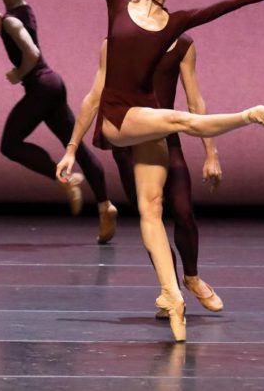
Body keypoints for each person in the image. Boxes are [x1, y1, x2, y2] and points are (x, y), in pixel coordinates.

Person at [13, 0, 264, 341]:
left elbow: (228, 5)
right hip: (119, 117)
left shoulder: (178, 22)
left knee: (152, 209)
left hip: (145, 118)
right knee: (180, 121)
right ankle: (252, 114)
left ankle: (172, 295)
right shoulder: (117, 1)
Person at [59, 37, 224, 318]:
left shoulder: (181, 44)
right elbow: (95, 96)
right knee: (152, 215)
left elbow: (195, 101)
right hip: (128, 144)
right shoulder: (114, 43)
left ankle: (192, 277)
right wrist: (72, 148)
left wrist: (211, 154)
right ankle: (171, 290)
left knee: (184, 211)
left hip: (165, 137)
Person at [0, 0, 117, 242]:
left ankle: (68, 179)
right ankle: (105, 206)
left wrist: (18, 73)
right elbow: (21, 33)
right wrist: (1, 31)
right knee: (76, 148)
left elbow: (31, 52)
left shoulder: (11, 20)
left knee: (9, 145)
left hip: (41, 88)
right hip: (52, 86)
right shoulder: (22, 10)